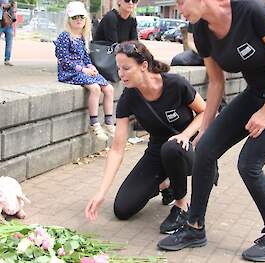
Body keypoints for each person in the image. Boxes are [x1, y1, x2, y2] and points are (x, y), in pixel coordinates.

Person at [157, 0, 265, 262]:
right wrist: (206, 127)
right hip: (255, 92)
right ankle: (194, 228)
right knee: (205, 149)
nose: (179, 11)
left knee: (250, 163)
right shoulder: (202, 30)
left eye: (180, 2)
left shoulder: (251, 12)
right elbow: (216, 82)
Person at [85, 40, 207, 235]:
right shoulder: (129, 97)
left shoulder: (175, 84)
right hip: (157, 151)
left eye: (126, 68)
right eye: (118, 68)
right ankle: (167, 183)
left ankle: (182, 206)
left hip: (187, 148)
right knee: (123, 209)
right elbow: (117, 149)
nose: (120, 74)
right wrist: (101, 193)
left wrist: (185, 135)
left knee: (172, 147)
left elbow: (205, 113)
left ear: (143, 66)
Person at [55, 1, 115, 141]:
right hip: (69, 71)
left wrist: (91, 67)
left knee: (109, 89)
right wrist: (82, 69)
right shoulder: (65, 36)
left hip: (83, 70)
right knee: (95, 89)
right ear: (69, 20)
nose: (78, 20)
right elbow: (63, 59)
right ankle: (94, 123)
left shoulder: (82, 37)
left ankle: (108, 122)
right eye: (75, 17)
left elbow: (85, 57)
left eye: (81, 17)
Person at [0, 0, 16, 66]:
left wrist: (11, 5)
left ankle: (7, 59)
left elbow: (12, 3)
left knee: (9, 41)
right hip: (0, 21)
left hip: (8, 22)